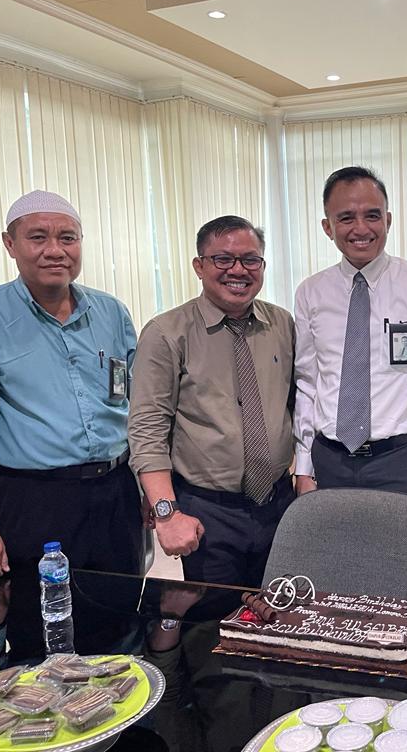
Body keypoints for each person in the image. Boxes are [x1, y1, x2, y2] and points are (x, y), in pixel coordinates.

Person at [0, 190, 141, 578]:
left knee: (123, 606)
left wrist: (151, 487)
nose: (55, 250)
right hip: (34, 499)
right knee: (38, 611)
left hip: (117, 493)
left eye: (68, 238)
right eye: (38, 237)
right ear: (10, 244)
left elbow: (136, 401)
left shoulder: (112, 313)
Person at [293, 166, 407, 524]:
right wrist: (305, 468)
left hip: (404, 461)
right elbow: (308, 384)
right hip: (331, 462)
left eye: (372, 216)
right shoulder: (311, 292)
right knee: (335, 559)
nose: (361, 228)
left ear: (388, 220)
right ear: (327, 227)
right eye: (346, 218)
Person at [128, 216, 295, 587]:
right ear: (199, 266)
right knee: (214, 617)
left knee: (283, 611)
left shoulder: (282, 325)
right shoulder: (166, 333)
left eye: (250, 259)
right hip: (208, 512)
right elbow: (147, 430)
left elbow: (298, 405)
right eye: (222, 259)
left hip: (279, 505)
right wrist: (166, 513)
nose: (238, 270)